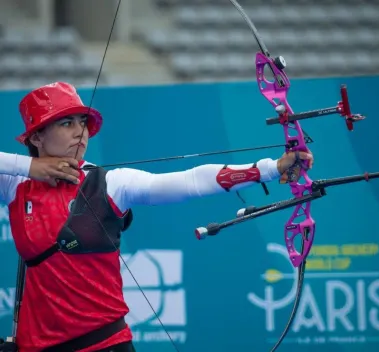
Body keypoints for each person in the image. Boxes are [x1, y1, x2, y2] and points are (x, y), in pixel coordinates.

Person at [0, 82, 314, 352]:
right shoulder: (15, 185)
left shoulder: (109, 183)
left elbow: (192, 181)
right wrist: (30, 168)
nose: (79, 132)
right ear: (36, 137)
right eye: (65, 123)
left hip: (105, 345)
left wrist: (271, 168)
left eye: (82, 121)